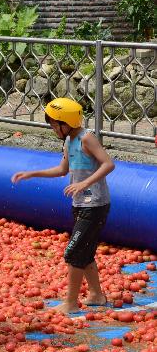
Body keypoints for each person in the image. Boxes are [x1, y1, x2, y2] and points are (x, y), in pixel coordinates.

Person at [11, 98, 114, 314]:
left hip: (94, 205)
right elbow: (62, 170)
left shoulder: (87, 138)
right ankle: (96, 295)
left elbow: (108, 163)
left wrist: (85, 183)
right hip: (80, 204)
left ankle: (70, 303)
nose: (51, 128)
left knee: (74, 252)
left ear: (64, 122)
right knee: (84, 252)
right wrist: (32, 173)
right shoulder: (69, 141)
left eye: (53, 124)